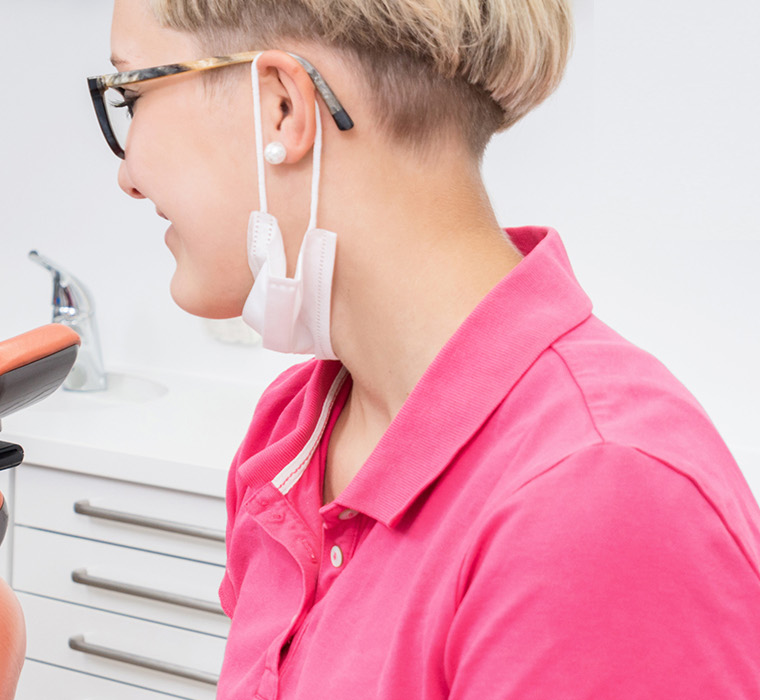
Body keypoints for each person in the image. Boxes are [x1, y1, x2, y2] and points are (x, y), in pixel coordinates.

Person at [91, 0, 760, 696]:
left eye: (132, 94)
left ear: (282, 108)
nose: (127, 176)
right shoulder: (295, 434)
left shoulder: (601, 500)